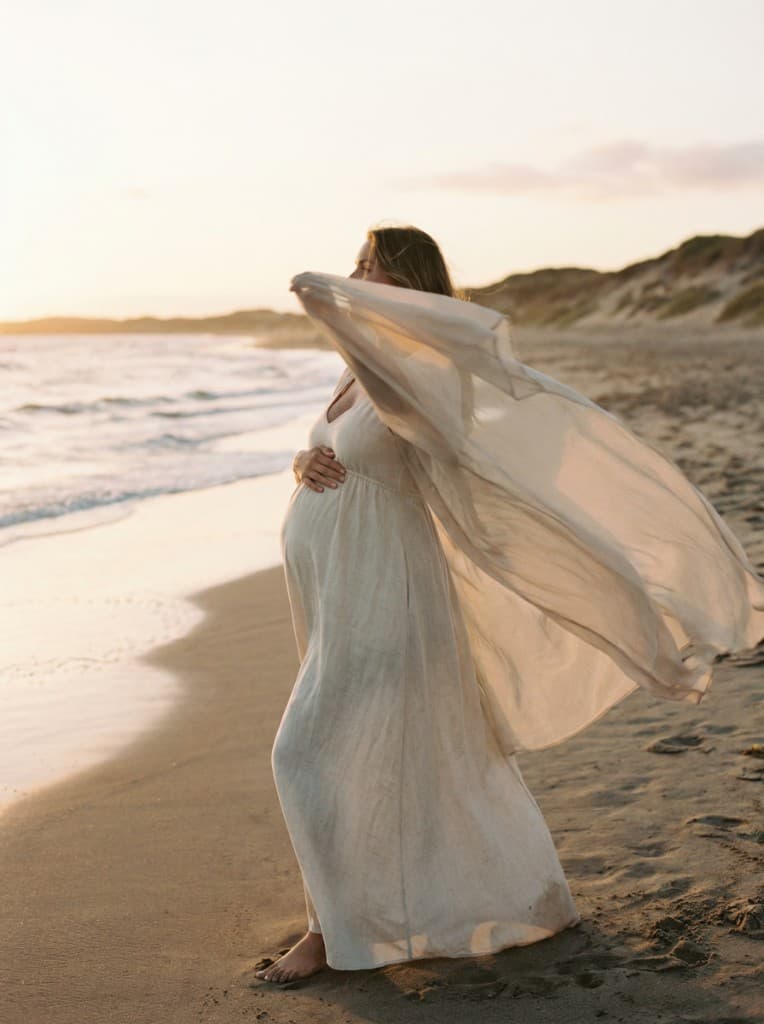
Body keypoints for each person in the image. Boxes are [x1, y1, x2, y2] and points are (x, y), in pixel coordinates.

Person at [255, 225, 764, 984]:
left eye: (378, 271)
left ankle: (330, 934)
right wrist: (304, 459)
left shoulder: (419, 367)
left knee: (306, 754)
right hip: (335, 589)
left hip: (386, 586)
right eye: (357, 267)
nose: (361, 277)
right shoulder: (356, 366)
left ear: (416, 286)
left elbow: (423, 437)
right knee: (402, 754)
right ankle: (434, 905)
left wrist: (332, 303)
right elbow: (345, 444)